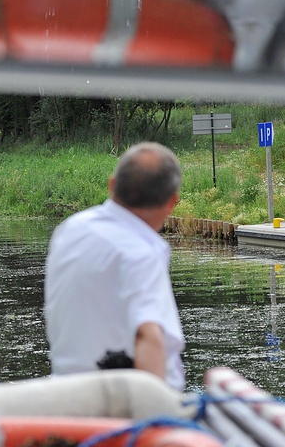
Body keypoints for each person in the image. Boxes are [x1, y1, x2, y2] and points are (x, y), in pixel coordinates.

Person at [44, 142, 185, 391]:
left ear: (111, 185)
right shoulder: (140, 252)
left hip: (65, 394)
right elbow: (147, 335)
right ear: (172, 202)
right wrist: (157, 417)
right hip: (119, 408)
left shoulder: (69, 230)